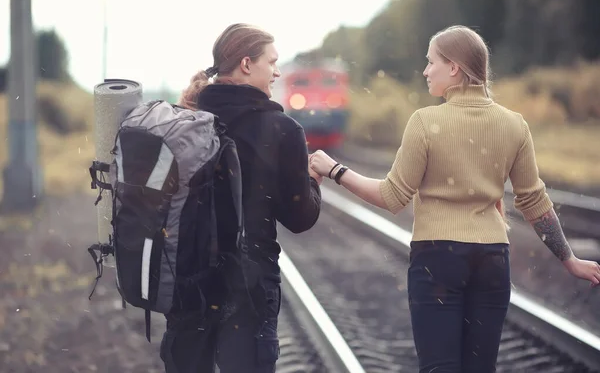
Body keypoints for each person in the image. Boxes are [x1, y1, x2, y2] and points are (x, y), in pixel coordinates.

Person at [309, 25, 600, 373]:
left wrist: (334, 170)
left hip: (438, 259)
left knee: (440, 367)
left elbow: (392, 196)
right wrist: (569, 259)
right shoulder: (514, 125)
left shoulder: (426, 122)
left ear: (455, 68)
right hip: (493, 257)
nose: (425, 70)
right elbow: (534, 201)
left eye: (432, 62)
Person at [160, 23, 322, 373]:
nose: (278, 71)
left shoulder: (185, 121)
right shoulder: (282, 130)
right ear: (247, 64)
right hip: (248, 286)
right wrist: (312, 179)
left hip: (188, 282)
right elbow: (300, 218)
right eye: (272, 62)